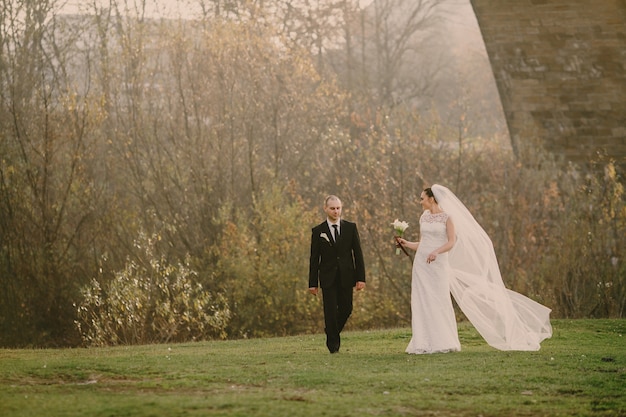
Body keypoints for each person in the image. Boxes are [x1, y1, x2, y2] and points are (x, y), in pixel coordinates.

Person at [398, 184, 552, 353]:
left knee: (439, 301)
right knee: (422, 301)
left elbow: (451, 242)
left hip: (438, 265)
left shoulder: (447, 218)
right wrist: (407, 244)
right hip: (421, 265)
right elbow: (423, 243)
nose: (420, 202)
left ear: (431, 199)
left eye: (422, 198)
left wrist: (437, 252)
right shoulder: (424, 217)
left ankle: (443, 341)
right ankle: (422, 342)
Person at [309, 195, 366, 353]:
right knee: (330, 311)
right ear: (325, 209)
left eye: (338, 208)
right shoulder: (318, 231)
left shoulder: (350, 228)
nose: (336, 211)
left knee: (346, 309)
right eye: (333, 208)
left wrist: (361, 278)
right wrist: (312, 283)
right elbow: (314, 259)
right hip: (327, 277)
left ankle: (331, 331)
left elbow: (358, 254)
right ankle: (333, 346)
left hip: (347, 276)